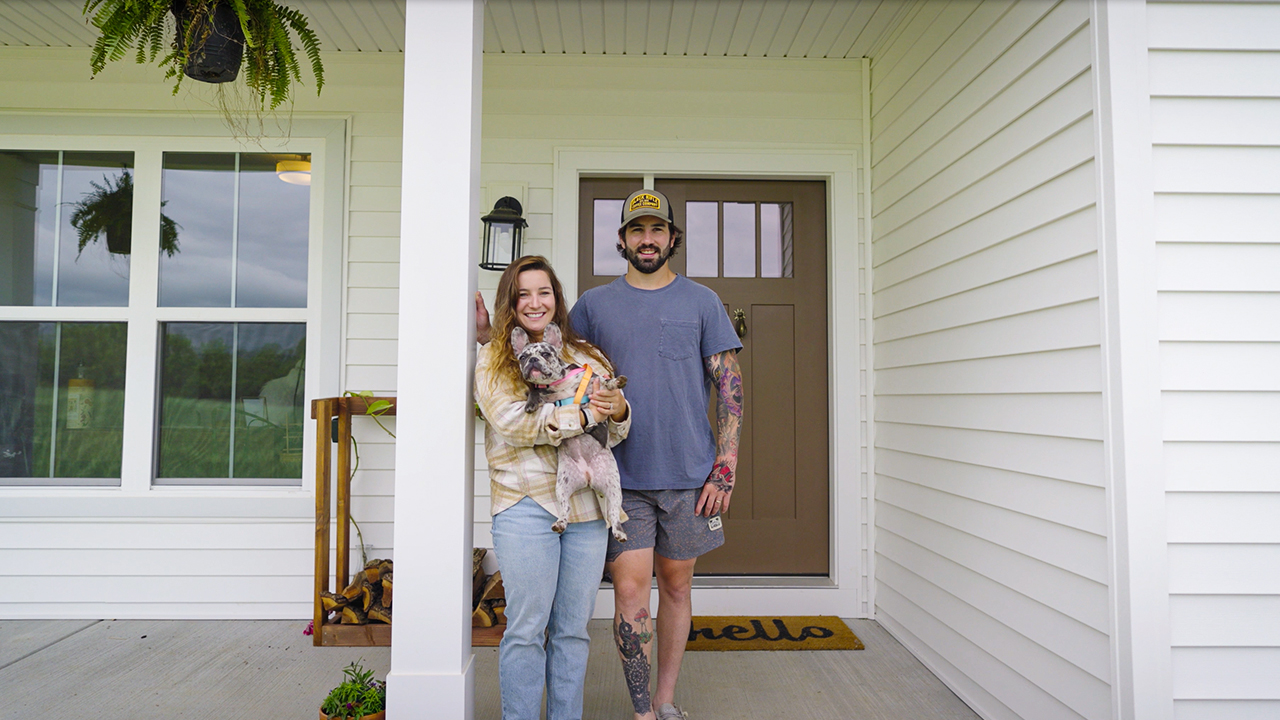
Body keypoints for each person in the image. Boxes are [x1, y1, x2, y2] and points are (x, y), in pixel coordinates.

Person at [569, 189, 743, 720]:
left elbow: (729, 385)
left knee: (676, 584)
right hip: (619, 477)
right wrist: (487, 336)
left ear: (672, 239)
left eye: (658, 230)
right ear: (621, 241)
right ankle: (643, 711)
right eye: (637, 231)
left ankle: (666, 700)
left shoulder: (702, 301)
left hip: (690, 474)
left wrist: (726, 466)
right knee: (629, 591)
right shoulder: (593, 306)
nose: (648, 239)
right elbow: (555, 363)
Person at [473, 255, 631, 720]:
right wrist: (583, 415)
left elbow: (616, 430)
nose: (535, 302)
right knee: (525, 629)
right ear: (510, 302)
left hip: (584, 511)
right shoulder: (495, 358)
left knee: (572, 631)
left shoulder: (586, 356)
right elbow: (512, 423)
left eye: (544, 292)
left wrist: (619, 409)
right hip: (525, 506)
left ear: (557, 300)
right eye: (524, 294)